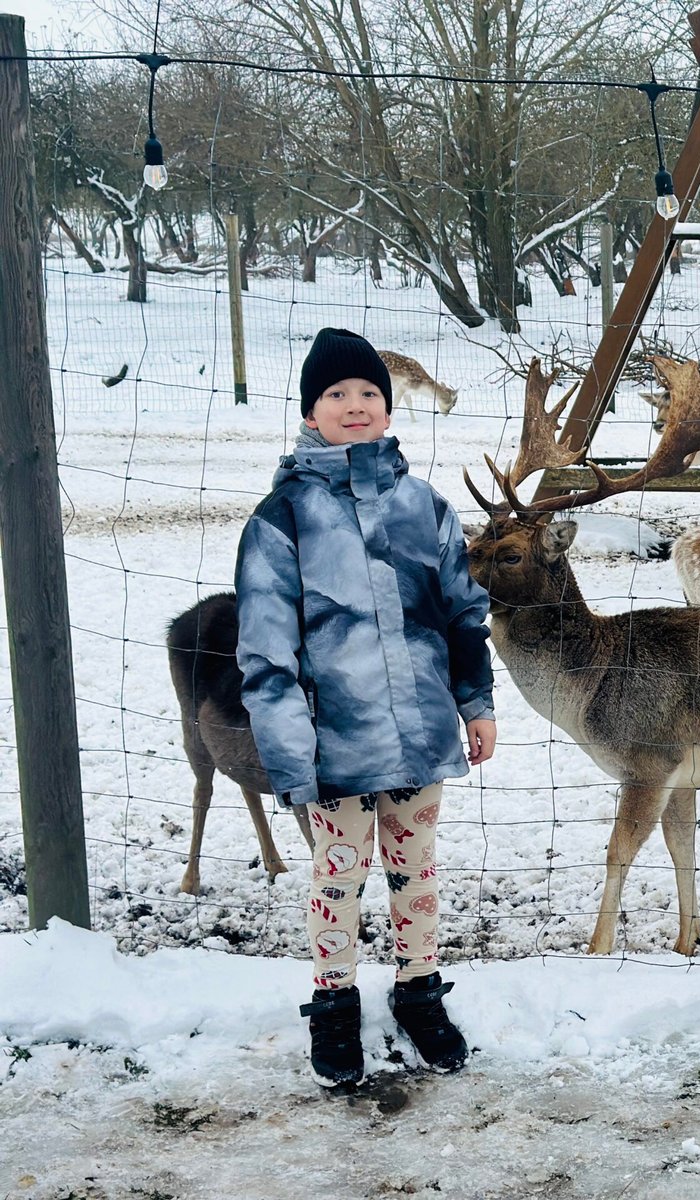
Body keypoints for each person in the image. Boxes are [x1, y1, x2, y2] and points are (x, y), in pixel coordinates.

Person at [235, 328, 495, 1088]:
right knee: (338, 875)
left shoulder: (426, 507)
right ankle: (335, 1002)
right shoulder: (281, 519)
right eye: (337, 394)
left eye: (369, 394)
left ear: (388, 409)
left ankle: (419, 990)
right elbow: (266, 651)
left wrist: (474, 704)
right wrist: (291, 753)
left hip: (418, 734)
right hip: (334, 745)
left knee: (415, 871)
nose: (355, 406)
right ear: (311, 412)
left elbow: (463, 615)